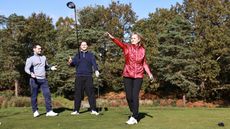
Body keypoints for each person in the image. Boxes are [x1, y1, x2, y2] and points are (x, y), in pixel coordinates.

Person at [106, 32, 154, 125]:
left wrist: (149, 73)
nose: (132, 39)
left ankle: (134, 116)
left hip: (139, 75)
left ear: (139, 39)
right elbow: (119, 43)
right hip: (127, 74)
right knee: (128, 97)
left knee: (135, 96)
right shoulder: (127, 47)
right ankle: (134, 111)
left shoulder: (143, 50)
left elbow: (144, 63)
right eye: (131, 38)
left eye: (134, 38)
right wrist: (112, 38)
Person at [24, 44, 58, 117]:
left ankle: (49, 111)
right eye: (38, 48)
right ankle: (35, 111)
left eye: (40, 49)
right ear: (34, 49)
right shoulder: (30, 58)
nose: (40, 50)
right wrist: (31, 73)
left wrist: (51, 68)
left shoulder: (43, 57)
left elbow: (46, 67)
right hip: (34, 80)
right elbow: (26, 69)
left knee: (47, 95)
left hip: (43, 79)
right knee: (34, 96)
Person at [68, 41, 100, 116]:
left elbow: (94, 63)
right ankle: (76, 110)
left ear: (87, 46)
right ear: (80, 46)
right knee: (78, 94)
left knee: (91, 94)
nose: (84, 46)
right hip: (79, 76)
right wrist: (70, 62)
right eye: (82, 45)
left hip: (88, 76)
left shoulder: (91, 55)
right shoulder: (77, 55)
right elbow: (73, 64)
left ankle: (93, 110)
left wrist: (96, 70)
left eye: (85, 45)